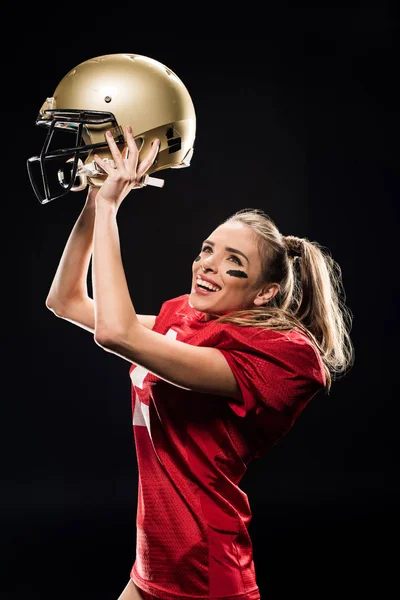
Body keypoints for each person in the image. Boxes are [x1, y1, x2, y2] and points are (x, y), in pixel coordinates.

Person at [45, 126, 355, 600]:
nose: (207, 264)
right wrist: (94, 199)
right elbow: (66, 301)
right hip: (152, 564)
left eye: (234, 262)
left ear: (266, 292)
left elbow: (115, 331)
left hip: (205, 573)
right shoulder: (184, 319)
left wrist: (112, 208)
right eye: (208, 249)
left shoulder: (278, 356)